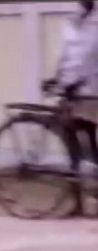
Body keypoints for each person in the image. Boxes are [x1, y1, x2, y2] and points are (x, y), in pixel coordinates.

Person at [43, 0, 98, 215]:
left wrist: (75, 82)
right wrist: (55, 79)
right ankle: (77, 201)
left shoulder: (95, 24)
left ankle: (83, 197)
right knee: (73, 143)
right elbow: (65, 55)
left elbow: (91, 59)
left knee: (87, 142)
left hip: (89, 89)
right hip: (70, 90)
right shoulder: (72, 21)